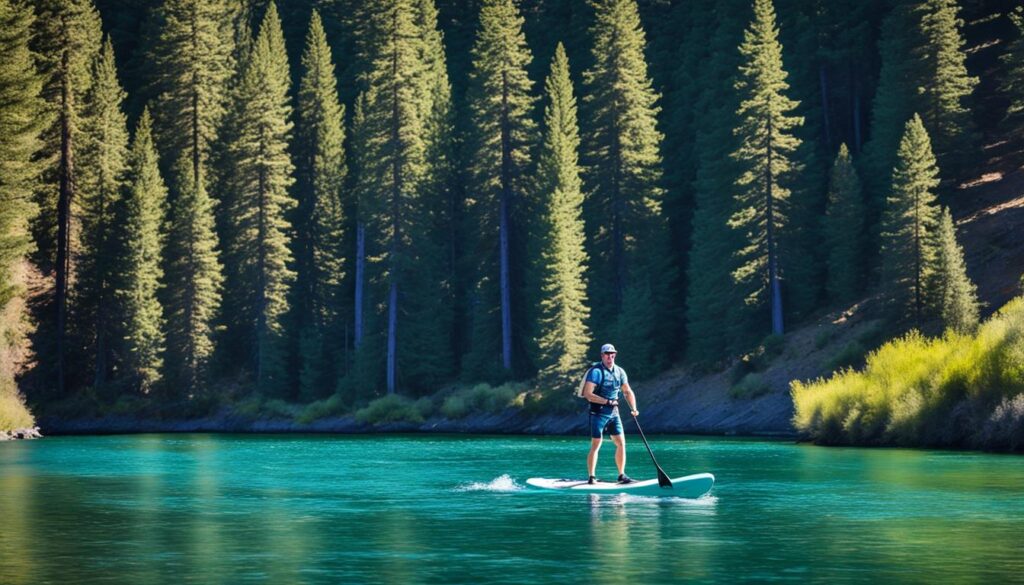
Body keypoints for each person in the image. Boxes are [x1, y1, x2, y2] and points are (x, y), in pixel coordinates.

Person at [580, 343, 639, 484]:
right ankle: (592, 477)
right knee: (596, 444)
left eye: (612, 354)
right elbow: (588, 394)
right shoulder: (596, 372)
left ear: (615, 355)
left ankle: (622, 475)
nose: (610, 357)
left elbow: (627, 391)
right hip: (598, 413)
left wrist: (634, 408)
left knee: (621, 443)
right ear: (602, 356)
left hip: (614, 413)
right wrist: (606, 401)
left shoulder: (620, 371)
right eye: (607, 354)